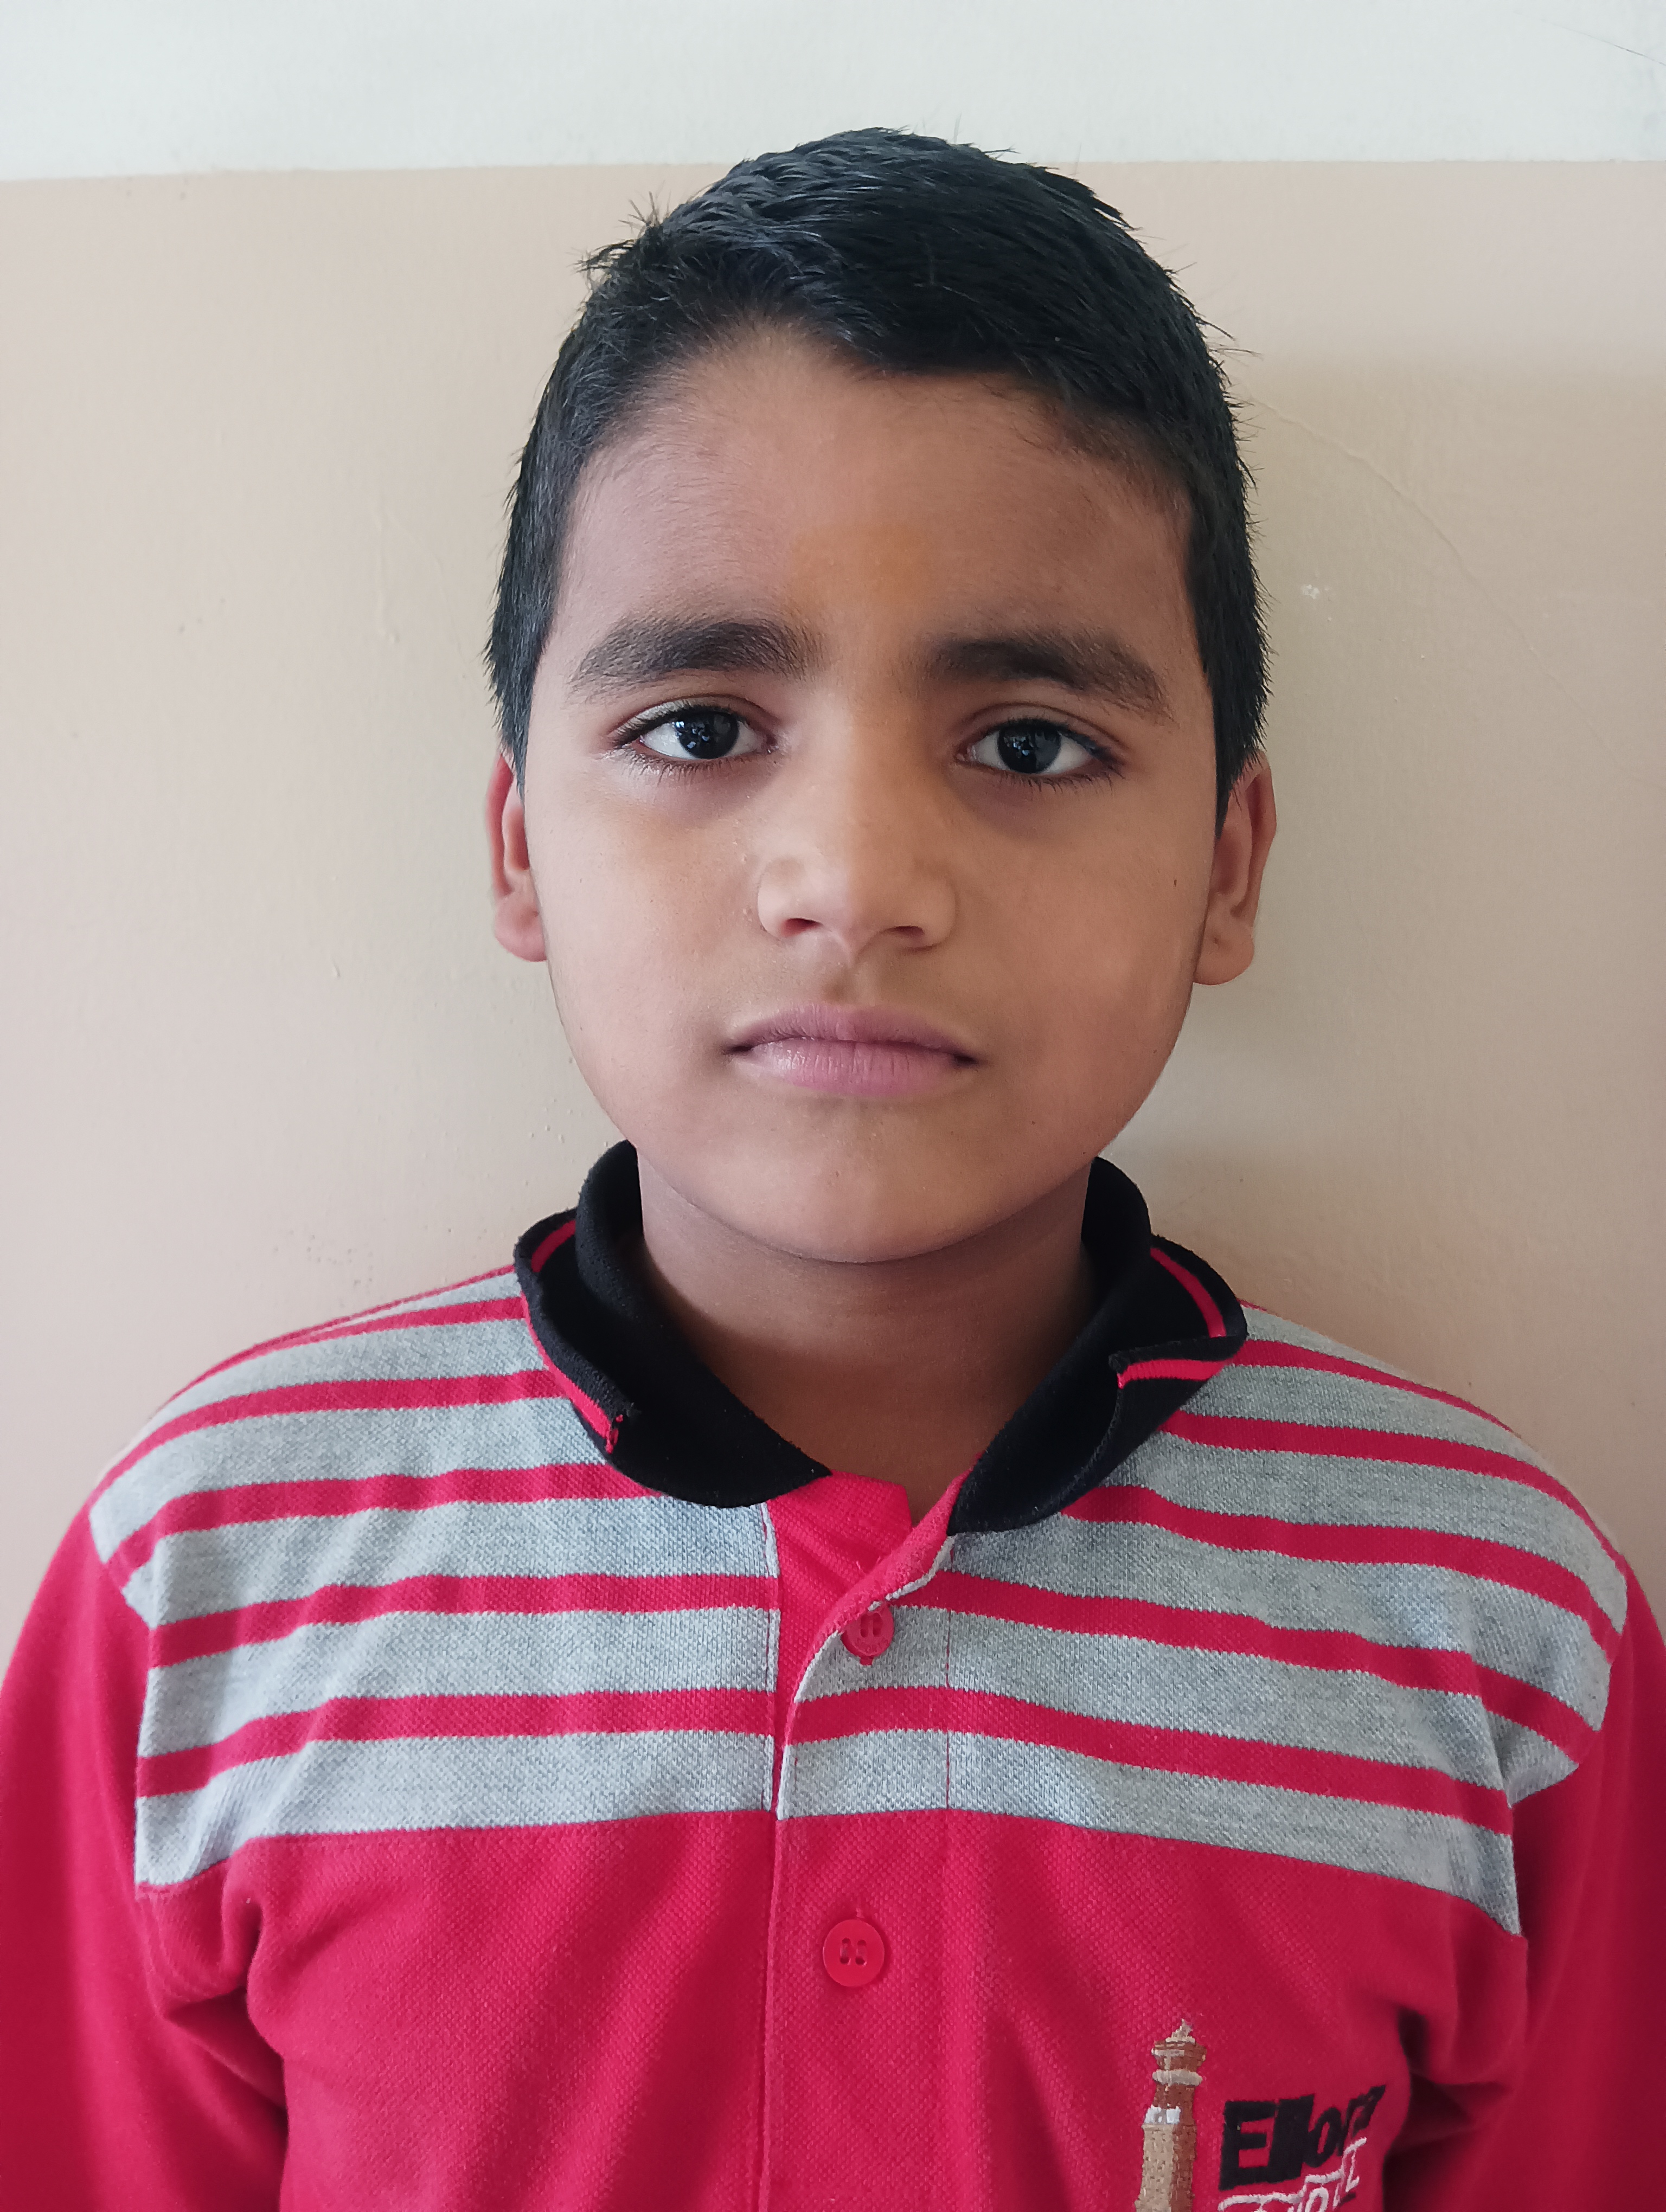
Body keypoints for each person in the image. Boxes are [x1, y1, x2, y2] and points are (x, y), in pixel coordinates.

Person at [1, 129, 1658, 2212]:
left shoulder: (1501, 1643)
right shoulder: (201, 1593)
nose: (856, 880)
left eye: (1030, 742)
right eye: (702, 728)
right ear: (520, 849)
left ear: (1229, 867)